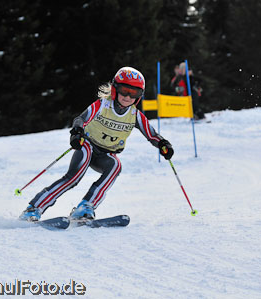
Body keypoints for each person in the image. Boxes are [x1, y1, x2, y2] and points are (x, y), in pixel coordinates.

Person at [19, 67, 174, 222]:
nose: (127, 97)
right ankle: (34, 208)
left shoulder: (135, 115)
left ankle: (85, 207)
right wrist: (77, 132)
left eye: (134, 93)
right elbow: (81, 118)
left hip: (105, 154)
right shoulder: (102, 105)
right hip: (87, 145)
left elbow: (152, 135)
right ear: (115, 89)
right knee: (73, 178)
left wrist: (163, 144)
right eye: (124, 90)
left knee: (115, 165)